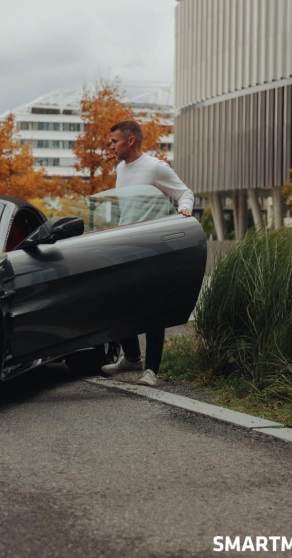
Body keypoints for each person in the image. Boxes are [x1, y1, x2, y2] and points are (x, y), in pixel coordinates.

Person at [100, 120, 194, 386]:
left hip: (153, 247)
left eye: (115, 141)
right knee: (116, 302)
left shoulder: (155, 167)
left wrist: (183, 211)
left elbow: (184, 193)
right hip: (125, 245)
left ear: (130, 141)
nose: (111, 147)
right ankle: (131, 358)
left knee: (153, 308)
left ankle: (151, 369)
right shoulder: (120, 168)